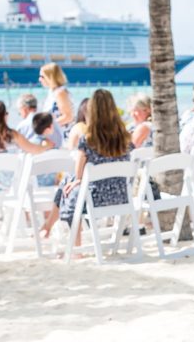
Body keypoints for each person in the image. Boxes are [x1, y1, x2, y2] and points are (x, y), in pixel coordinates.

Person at [42, 88, 132, 238]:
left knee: (69, 189)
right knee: (70, 186)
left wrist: (75, 181)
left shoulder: (88, 139)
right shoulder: (125, 138)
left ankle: (71, 244)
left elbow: (78, 173)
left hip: (96, 198)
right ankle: (47, 227)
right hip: (121, 195)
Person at [38, 63, 74, 131]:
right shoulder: (53, 92)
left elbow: (68, 116)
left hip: (62, 135)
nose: (39, 79)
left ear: (50, 77)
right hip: (55, 133)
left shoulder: (60, 93)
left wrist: (45, 127)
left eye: (42, 76)